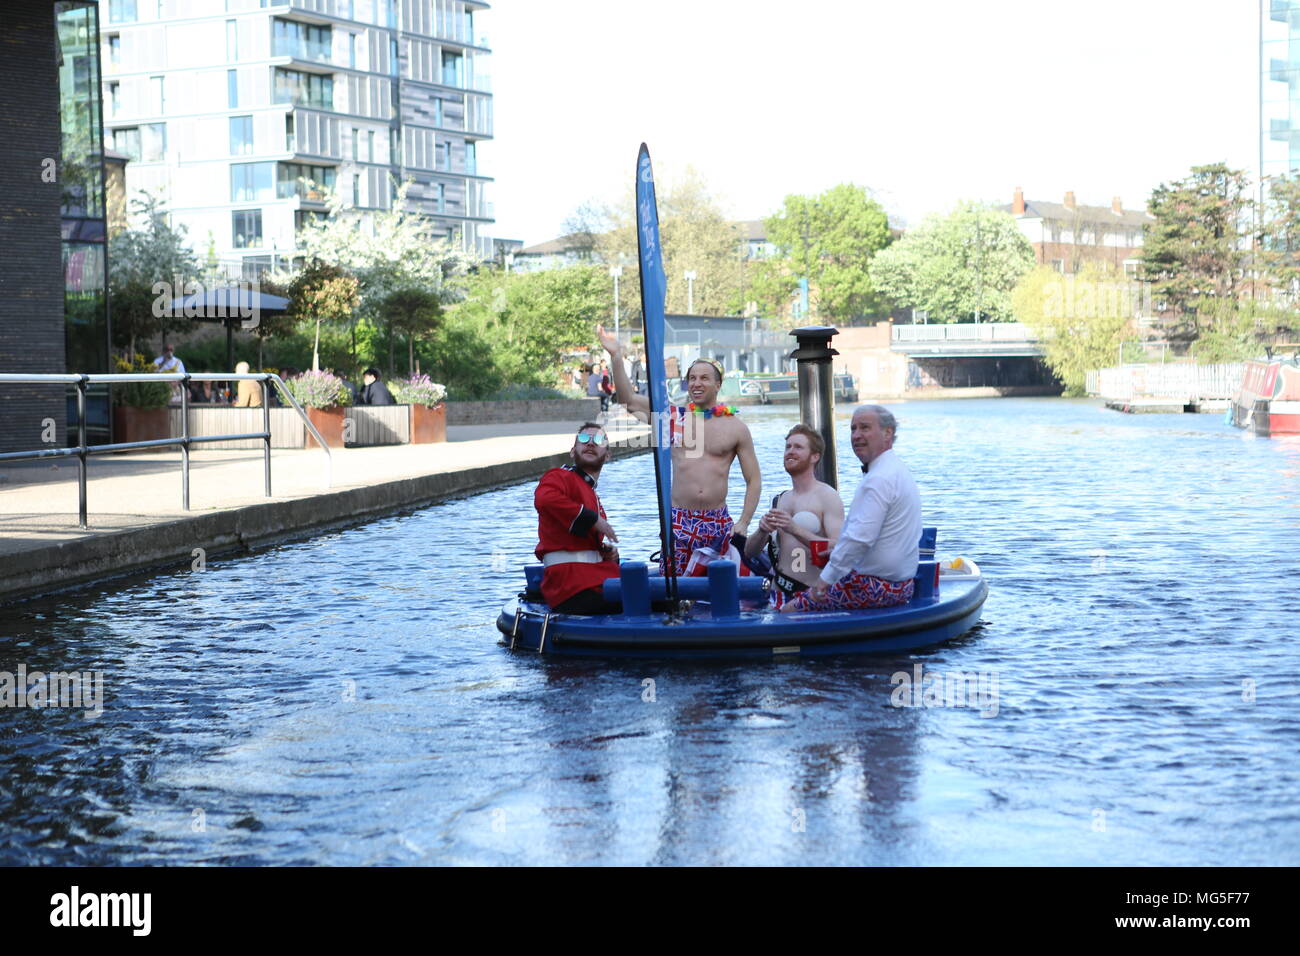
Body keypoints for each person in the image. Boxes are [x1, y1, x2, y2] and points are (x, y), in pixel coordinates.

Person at [597, 324, 761, 577]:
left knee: (719, 592)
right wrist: (616, 357)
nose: (697, 383)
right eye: (692, 378)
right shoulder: (672, 417)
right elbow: (628, 400)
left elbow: (754, 479)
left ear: (718, 385)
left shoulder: (736, 428)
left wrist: (743, 522)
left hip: (718, 522)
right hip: (679, 521)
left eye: (704, 378)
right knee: (676, 592)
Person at [782, 405, 921, 614]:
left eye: (865, 428)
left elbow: (860, 539)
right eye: (853, 429)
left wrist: (822, 583)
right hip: (902, 584)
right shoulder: (897, 470)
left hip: (876, 587)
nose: (856, 436)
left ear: (887, 433)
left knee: (789, 610)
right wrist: (837, 551)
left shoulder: (878, 479)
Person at [744, 424, 844, 606]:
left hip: (811, 594)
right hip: (778, 594)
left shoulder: (827, 496)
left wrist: (795, 529)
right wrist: (761, 531)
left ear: (815, 456)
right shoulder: (780, 499)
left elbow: (839, 548)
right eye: (788, 447)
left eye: (798, 447)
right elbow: (750, 552)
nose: (790, 451)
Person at [533, 423, 622, 614]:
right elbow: (544, 499)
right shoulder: (559, 476)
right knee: (658, 600)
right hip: (571, 586)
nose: (590, 443)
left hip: (591, 579)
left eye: (598, 440)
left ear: (607, 455)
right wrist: (594, 519)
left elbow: (581, 546)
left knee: (657, 593)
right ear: (573, 451)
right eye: (583, 439)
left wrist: (608, 555)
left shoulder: (592, 495)